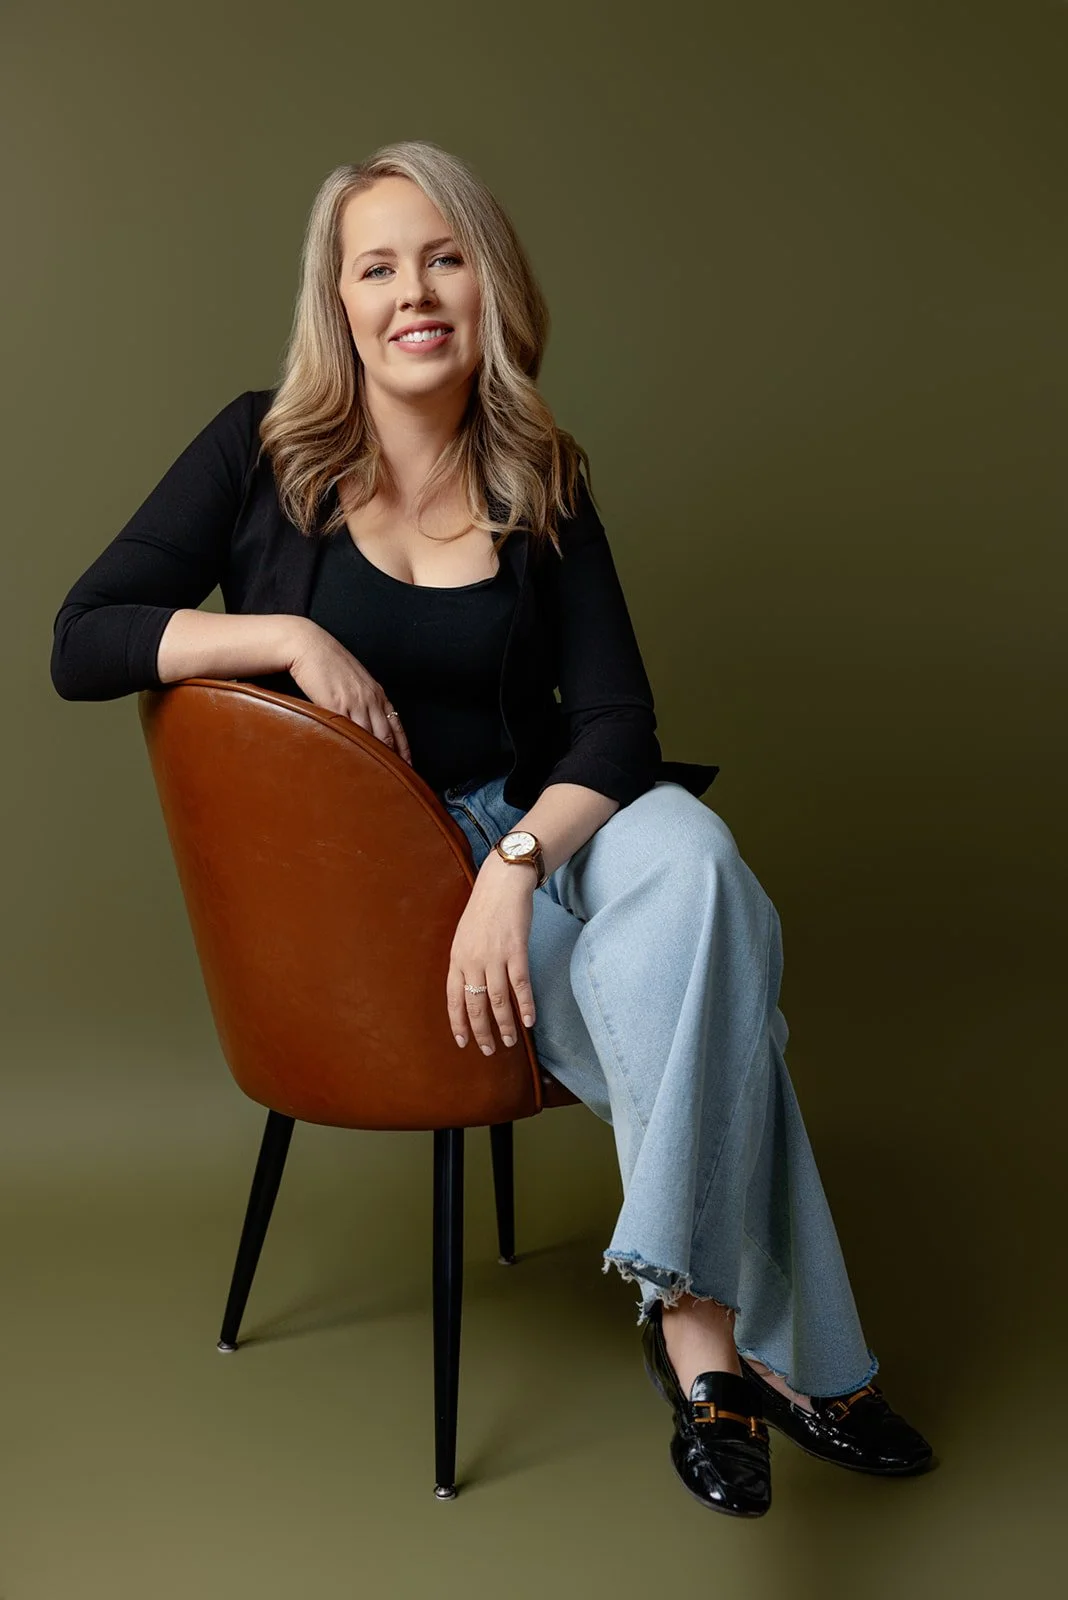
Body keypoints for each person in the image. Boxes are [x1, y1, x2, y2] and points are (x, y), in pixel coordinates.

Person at [50, 139, 933, 1517]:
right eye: (379, 266)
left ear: (490, 286)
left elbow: (618, 726)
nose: (416, 291)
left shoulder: (541, 473)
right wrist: (281, 633)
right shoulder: (256, 449)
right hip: (370, 887)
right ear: (338, 303)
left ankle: (691, 1333)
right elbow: (82, 638)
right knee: (727, 959)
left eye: (444, 257)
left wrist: (516, 865)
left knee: (700, 868)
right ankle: (758, 1351)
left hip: (539, 841)